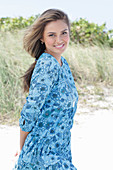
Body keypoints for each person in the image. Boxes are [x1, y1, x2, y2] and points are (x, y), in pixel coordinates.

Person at [13, 8, 78, 170]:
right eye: (51, 35)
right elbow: (31, 109)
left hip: (60, 149)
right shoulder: (47, 64)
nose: (59, 40)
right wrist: (23, 147)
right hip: (43, 153)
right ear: (42, 38)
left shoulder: (63, 65)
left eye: (64, 33)